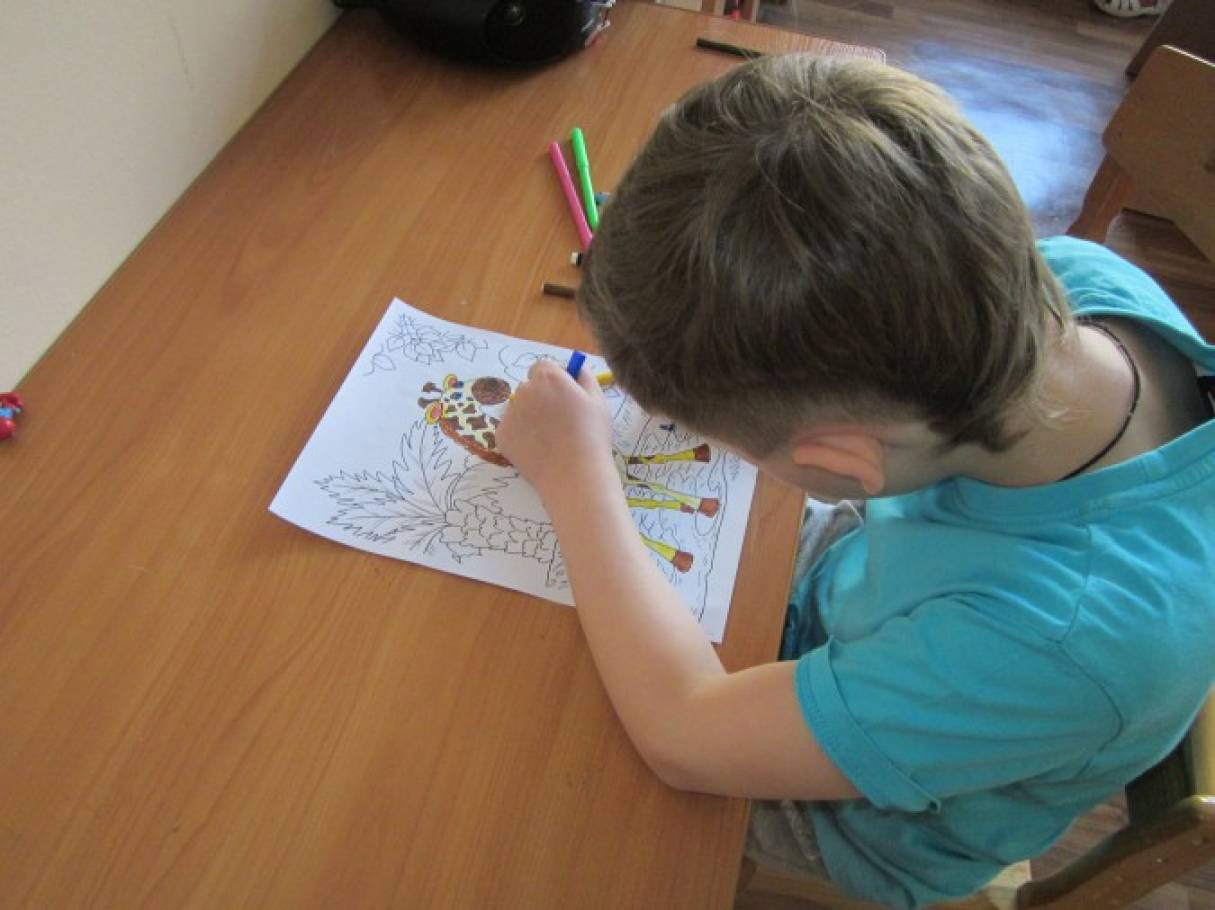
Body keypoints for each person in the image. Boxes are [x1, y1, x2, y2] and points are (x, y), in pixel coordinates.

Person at [496, 54, 1215, 908]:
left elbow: (681, 732)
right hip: (870, 597)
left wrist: (575, 473)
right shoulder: (1078, 285)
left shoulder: (1048, 642)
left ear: (841, 464)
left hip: (862, 826)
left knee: (532, 777)